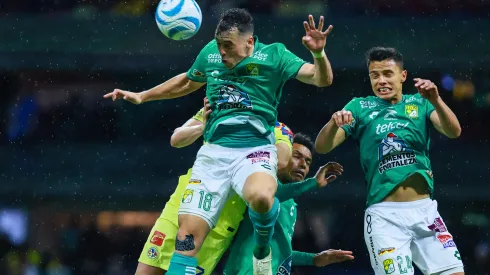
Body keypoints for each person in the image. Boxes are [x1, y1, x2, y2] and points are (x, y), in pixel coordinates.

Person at [104, 8, 334, 275]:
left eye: (228, 46)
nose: (222, 52)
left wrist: (318, 53)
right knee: (186, 239)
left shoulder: (275, 55)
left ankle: (262, 248)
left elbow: (322, 79)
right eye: (219, 45)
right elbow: (188, 82)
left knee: (261, 197)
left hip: (254, 149)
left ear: (249, 42)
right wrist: (143, 96)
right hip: (213, 155)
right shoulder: (210, 54)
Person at [314, 47, 464, 275]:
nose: (381, 80)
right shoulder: (359, 107)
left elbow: (454, 131)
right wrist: (333, 122)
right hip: (385, 217)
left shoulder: (421, 103)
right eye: (375, 75)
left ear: (402, 76)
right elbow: (322, 147)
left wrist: (436, 99)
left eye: (387, 74)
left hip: (426, 213)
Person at [136, 99, 296, 275]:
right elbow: (176, 139)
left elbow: (281, 161)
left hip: (219, 227)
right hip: (183, 207)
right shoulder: (216, 109)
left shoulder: (276, 127)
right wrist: (203, 127)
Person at [223, 133, 354, 274]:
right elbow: (268, 196)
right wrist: (313, 182)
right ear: (282, 157)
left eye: (308, 162)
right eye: (297, 156)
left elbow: (278, 252)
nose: (303, 164)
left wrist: (314, 259)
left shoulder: (290, 203)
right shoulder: (257, 185)